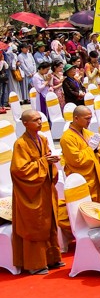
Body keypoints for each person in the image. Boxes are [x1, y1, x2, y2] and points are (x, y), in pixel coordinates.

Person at [9, 109, 61, 274]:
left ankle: (52, 259)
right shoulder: (20, 144)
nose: (39, 122)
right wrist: (44, 162)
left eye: (40, 119)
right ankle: (34, 264)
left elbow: (45, 160)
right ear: (25, 123)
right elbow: (19, 170)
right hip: (29, 192)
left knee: (48, 222)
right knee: (34, 225)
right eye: (35, 120)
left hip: (44, 188)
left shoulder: (43, 139)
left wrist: (51, 162)